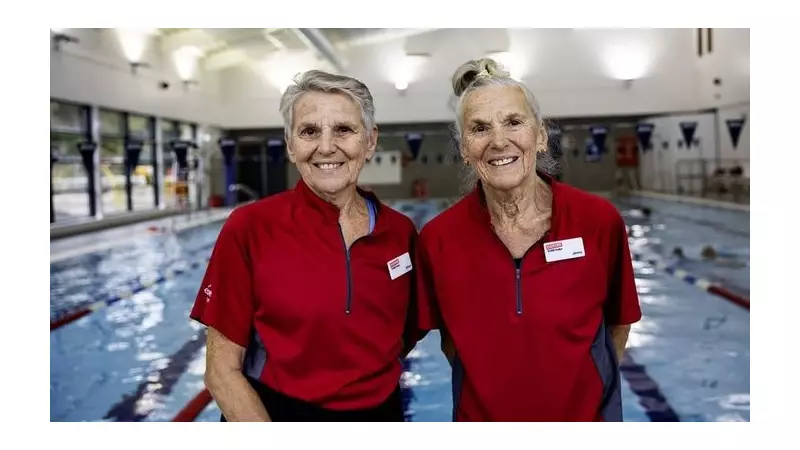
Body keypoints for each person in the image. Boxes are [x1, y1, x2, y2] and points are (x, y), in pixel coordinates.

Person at [413, 58, 642, 422]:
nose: (498, 141)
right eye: (479, 128)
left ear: (540, 135)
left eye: (514, 122)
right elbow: (451, 342)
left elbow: (619, 324)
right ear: (463, 148)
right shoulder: (439, 239)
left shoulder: (597, 221)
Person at [190, 70, 418, 422]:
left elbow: (404, 333)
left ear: (370, 141)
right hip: (274, 412)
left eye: (343, 129)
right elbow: (221, 372)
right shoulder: (250, 228)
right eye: (309, 131)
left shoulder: (400, 233)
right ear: (291, 144)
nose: (326, 146)